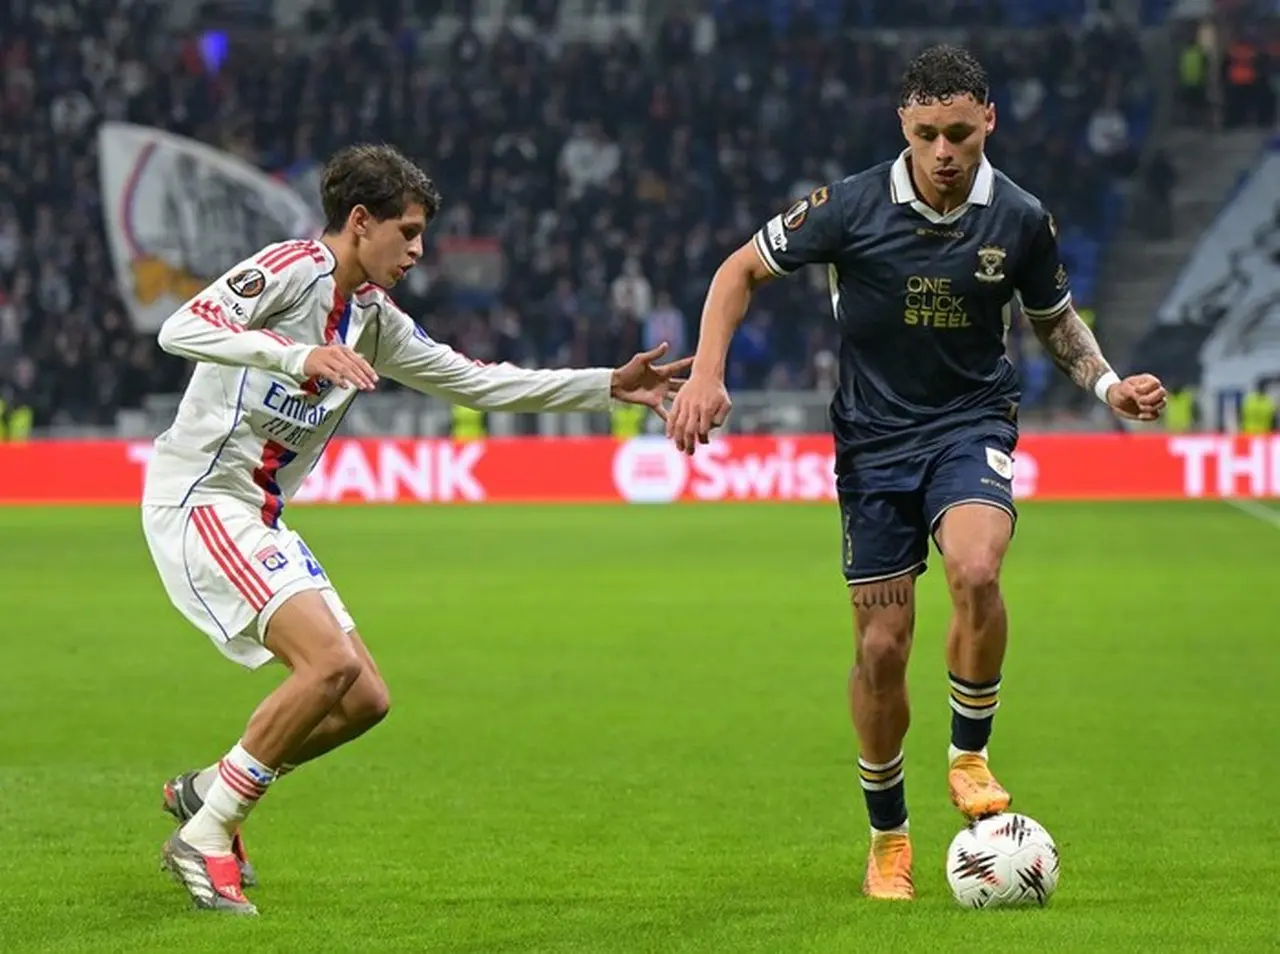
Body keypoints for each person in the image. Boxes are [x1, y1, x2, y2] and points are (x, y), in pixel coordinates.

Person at [666, 46, 1166, 901]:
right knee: (880, 650)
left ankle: (969, 753)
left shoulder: (1020, 218)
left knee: (976, 567)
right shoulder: (849, 207)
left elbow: (1054, 320)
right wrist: (707, 373)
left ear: (988, 122)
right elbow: (737, 270)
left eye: (960, 134)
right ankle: (888, 838)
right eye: (927, 132)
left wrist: (1108, 385)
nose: (943, 152)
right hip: (872, 445)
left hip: (970, 424)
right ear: (903, 122)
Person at [143, 143, 690, 915]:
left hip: (258, 510)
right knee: (328, 665)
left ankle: (208, 787)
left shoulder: (373, 320)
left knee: (363, 698)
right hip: (201, 496)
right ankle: (206, 833)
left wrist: (606, 385)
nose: (419, 251)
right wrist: (298, 355)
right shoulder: (291, 268)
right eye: (407, 231)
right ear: (359, 222)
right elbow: (182, 327)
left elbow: (478, 383)